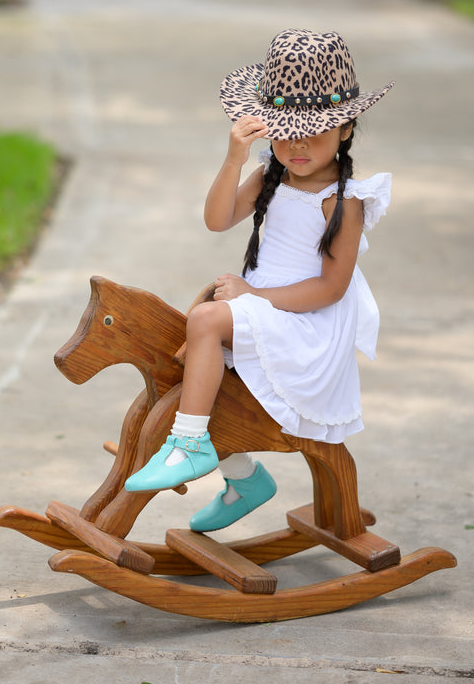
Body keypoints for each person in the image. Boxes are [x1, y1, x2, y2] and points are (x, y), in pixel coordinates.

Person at [125, 28, 394, 533]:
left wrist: (252, 295)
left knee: (206, 319)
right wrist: (235, 159)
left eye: (313, 130)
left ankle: (188, 443)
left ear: (347, 128)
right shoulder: (272, 172)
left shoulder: (344, 200)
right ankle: (244, 477)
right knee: (190, 356)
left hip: (308, 321)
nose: (296, 144)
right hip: (267, 307)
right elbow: (217, 218)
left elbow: (331, 289)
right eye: (283, 128)